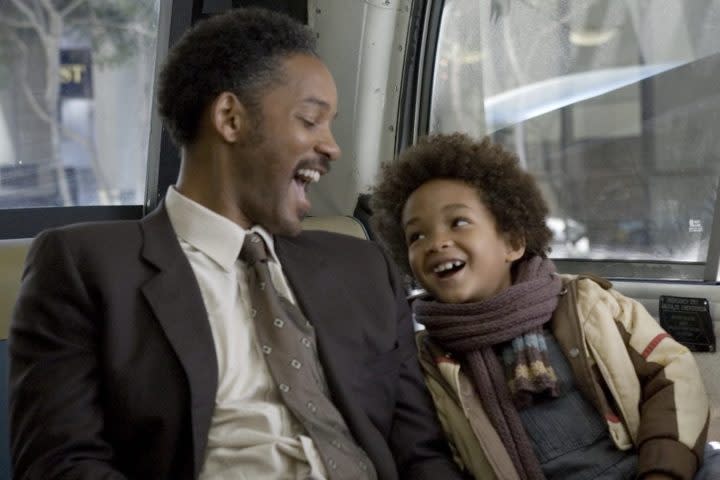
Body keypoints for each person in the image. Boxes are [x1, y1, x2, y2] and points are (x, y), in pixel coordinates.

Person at [9, 9, 463, 480]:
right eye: (311, 120)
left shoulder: (363, 267)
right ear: (230, 118)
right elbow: (61, 465)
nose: (332, 147)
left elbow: (421, 454)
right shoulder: (86, 266)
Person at [370, 132, 720, 480]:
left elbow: (672, 373)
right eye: (417, 236)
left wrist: (664, 471)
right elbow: (431, 457)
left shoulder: (587, 304)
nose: (437, 242)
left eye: (458, 222)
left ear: (513, 242)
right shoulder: (427, 361)